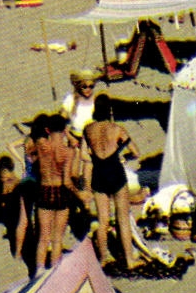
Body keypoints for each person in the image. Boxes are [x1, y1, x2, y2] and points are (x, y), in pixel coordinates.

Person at [82, 95, 140, 272]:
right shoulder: (116, 129)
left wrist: (95, 158)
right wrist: (123, 157)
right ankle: (129, 259)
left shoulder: (88, 130)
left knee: (103, 220)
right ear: (110, 111)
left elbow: (84, 155)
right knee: (122, 217)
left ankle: (104, 258)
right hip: (115, 170)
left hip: (99, 172)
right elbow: (135, 152)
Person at [31, 113, 80, 274]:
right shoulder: (68, 152)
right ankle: (54, 272)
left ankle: (38, 272)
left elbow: (34, 137)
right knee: (57, 238)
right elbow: (67, 181)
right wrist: (77, 193)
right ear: (64, 129)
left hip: (44, 189)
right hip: (61, 192)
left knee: (43, 238)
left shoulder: (41, 145)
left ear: (47, 129)